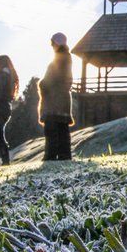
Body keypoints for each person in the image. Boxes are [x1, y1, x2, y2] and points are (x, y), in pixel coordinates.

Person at [38, 32, 74, 161]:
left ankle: (50, 155)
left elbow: (50, 80)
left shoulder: (59, 59)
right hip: (62, 99)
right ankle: (65, 155)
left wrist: (42, 84)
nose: (51, 45)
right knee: (62, 129)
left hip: (54, 100)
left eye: (52, 43)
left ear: (57, 43)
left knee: (52, 129)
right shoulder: (66, 58)